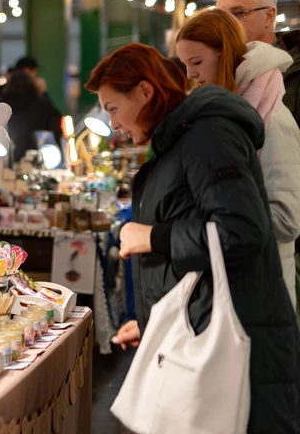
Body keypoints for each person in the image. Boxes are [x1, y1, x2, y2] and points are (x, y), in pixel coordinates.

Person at [87, 43, 300, 433]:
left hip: (239, 346)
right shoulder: (181, 140)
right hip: (206, 335)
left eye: (113, 108)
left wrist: (152, 236)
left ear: (146, 92)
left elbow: (242, 230)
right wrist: (152, 322)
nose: (113, 123)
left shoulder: (208, 134)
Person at [176, 8, 300, 306]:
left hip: (261, 291)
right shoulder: (219, 112)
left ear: (226, 55)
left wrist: (214, 220)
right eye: (185, 64)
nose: (191, 75)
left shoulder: (272, 119)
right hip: (224, 284)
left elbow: (287, 219)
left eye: (197, 62)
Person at [0, 70, 63, 162]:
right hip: (38, 158)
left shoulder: (4, 107)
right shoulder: (42, 105)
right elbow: (56, 123)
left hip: (10, 158)